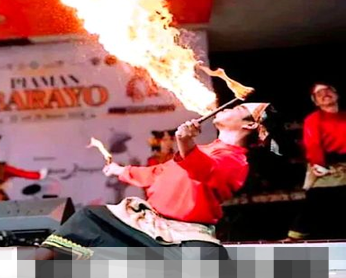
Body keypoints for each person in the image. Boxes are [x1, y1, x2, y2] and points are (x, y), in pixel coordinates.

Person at [34, 103, 273, 260]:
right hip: (143, 223)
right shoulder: (204, 148)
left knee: (208, 263)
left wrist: (185, 143)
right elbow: (157, 173)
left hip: (183, 236)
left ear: (250, 124)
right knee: (88, 217)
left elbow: (204, 171)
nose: (228, 106)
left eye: (238, 107)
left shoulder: (236, 161)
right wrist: (120, 170)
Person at [287, 83, 346, 240]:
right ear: (315, 101)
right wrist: (319, 165)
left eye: (328, 90)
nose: (325, 94)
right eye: (319, 93)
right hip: (326, 165)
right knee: (317, 198)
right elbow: (313, 144)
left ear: (337, 94)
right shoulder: (313, 119)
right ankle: (295, 237)